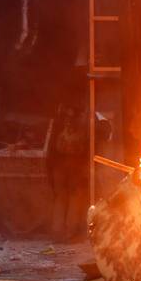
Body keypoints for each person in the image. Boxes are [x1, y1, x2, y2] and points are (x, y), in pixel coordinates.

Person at [46, 103, 89, 243]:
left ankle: (57, 232)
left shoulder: (57, 123)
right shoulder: (81, 124)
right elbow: (84, 148)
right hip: (74, 166)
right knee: (75, 197)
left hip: (59, 166)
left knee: (60, 198)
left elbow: (51, 149)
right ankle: (70, 233)